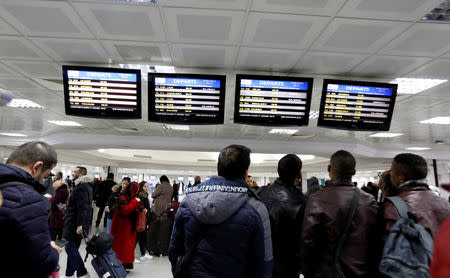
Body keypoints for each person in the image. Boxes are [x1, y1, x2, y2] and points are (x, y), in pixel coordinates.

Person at [169, 144, 273, 278]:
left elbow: (174, 249)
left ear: (218, 168)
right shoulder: (257, 208)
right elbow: (263, 260)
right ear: (246, 173)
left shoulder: (188, 201)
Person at [301, 150, 380, 278]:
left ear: (329, 168)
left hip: (329, 271)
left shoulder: (317, 199)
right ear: (354, 172)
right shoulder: (369, 200)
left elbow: (308, 241)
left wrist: (308, 271)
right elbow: (376, 239)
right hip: (363, 271)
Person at [0, 141, 61, 278]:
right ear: (37, 167)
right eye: (45, 175)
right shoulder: (28, 199)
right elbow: (41, 262)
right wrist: (51, 250)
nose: (42, 180)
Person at [380, 153, 450, 245]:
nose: (390, 173)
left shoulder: (393, 206)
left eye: (392, 170)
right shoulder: (444, 203)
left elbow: (390, 246)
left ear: (401, 178)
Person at [258, 154, 307, 278]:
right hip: (287, 265)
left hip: (260, 259)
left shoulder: (260, 193)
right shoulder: (301, 202)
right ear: (299, 175)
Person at [62, 166, 94, 278]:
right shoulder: (87, 186)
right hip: (76, 222)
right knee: (73, 247)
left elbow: (83, 207)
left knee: (69, 247)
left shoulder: (81, 187)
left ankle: (82, 272)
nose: (72, 174)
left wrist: (80, 224)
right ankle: (69, 274)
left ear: (81, 174)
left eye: (74, 172)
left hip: (75, 223)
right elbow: (80, 205)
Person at [111, 181, 142, 271]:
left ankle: (126, 264)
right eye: (136, 190)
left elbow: (138, 207)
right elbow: (124, 211)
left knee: (128, 247)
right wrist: (135, 202)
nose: (136, 192)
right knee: (122, 247)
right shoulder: (122, 198)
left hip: (129, 226)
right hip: (122, 227)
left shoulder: (132, 197)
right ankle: (120, 265)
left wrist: (142, 209)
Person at [147, 175, 173, 256]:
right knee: (164, 232)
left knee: (155, 230)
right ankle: (164, 250)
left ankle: (154, 249)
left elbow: (153, 195)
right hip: (166, 210)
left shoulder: (161, 186)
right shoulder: (171, 187)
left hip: (158, 210)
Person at [135, 181, 153, 263]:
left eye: (147, 186)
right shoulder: (141, 196)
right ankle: (135, 255)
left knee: (143, 237)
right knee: (138, 237)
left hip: (144, 219)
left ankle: (143, 253)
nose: (146, 188)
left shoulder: (145, 195)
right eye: (145, 186)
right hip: (141, 219)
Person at [50, 171, 69, 241]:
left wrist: (51, 198)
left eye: (54, 187)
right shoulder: (65, 189)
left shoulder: (60, 190)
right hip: (61, 211)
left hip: (57, 211)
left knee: (54, 227)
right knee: (60, 226)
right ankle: (60, 239)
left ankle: (53, 241)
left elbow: (56, 200)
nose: (54, 189)